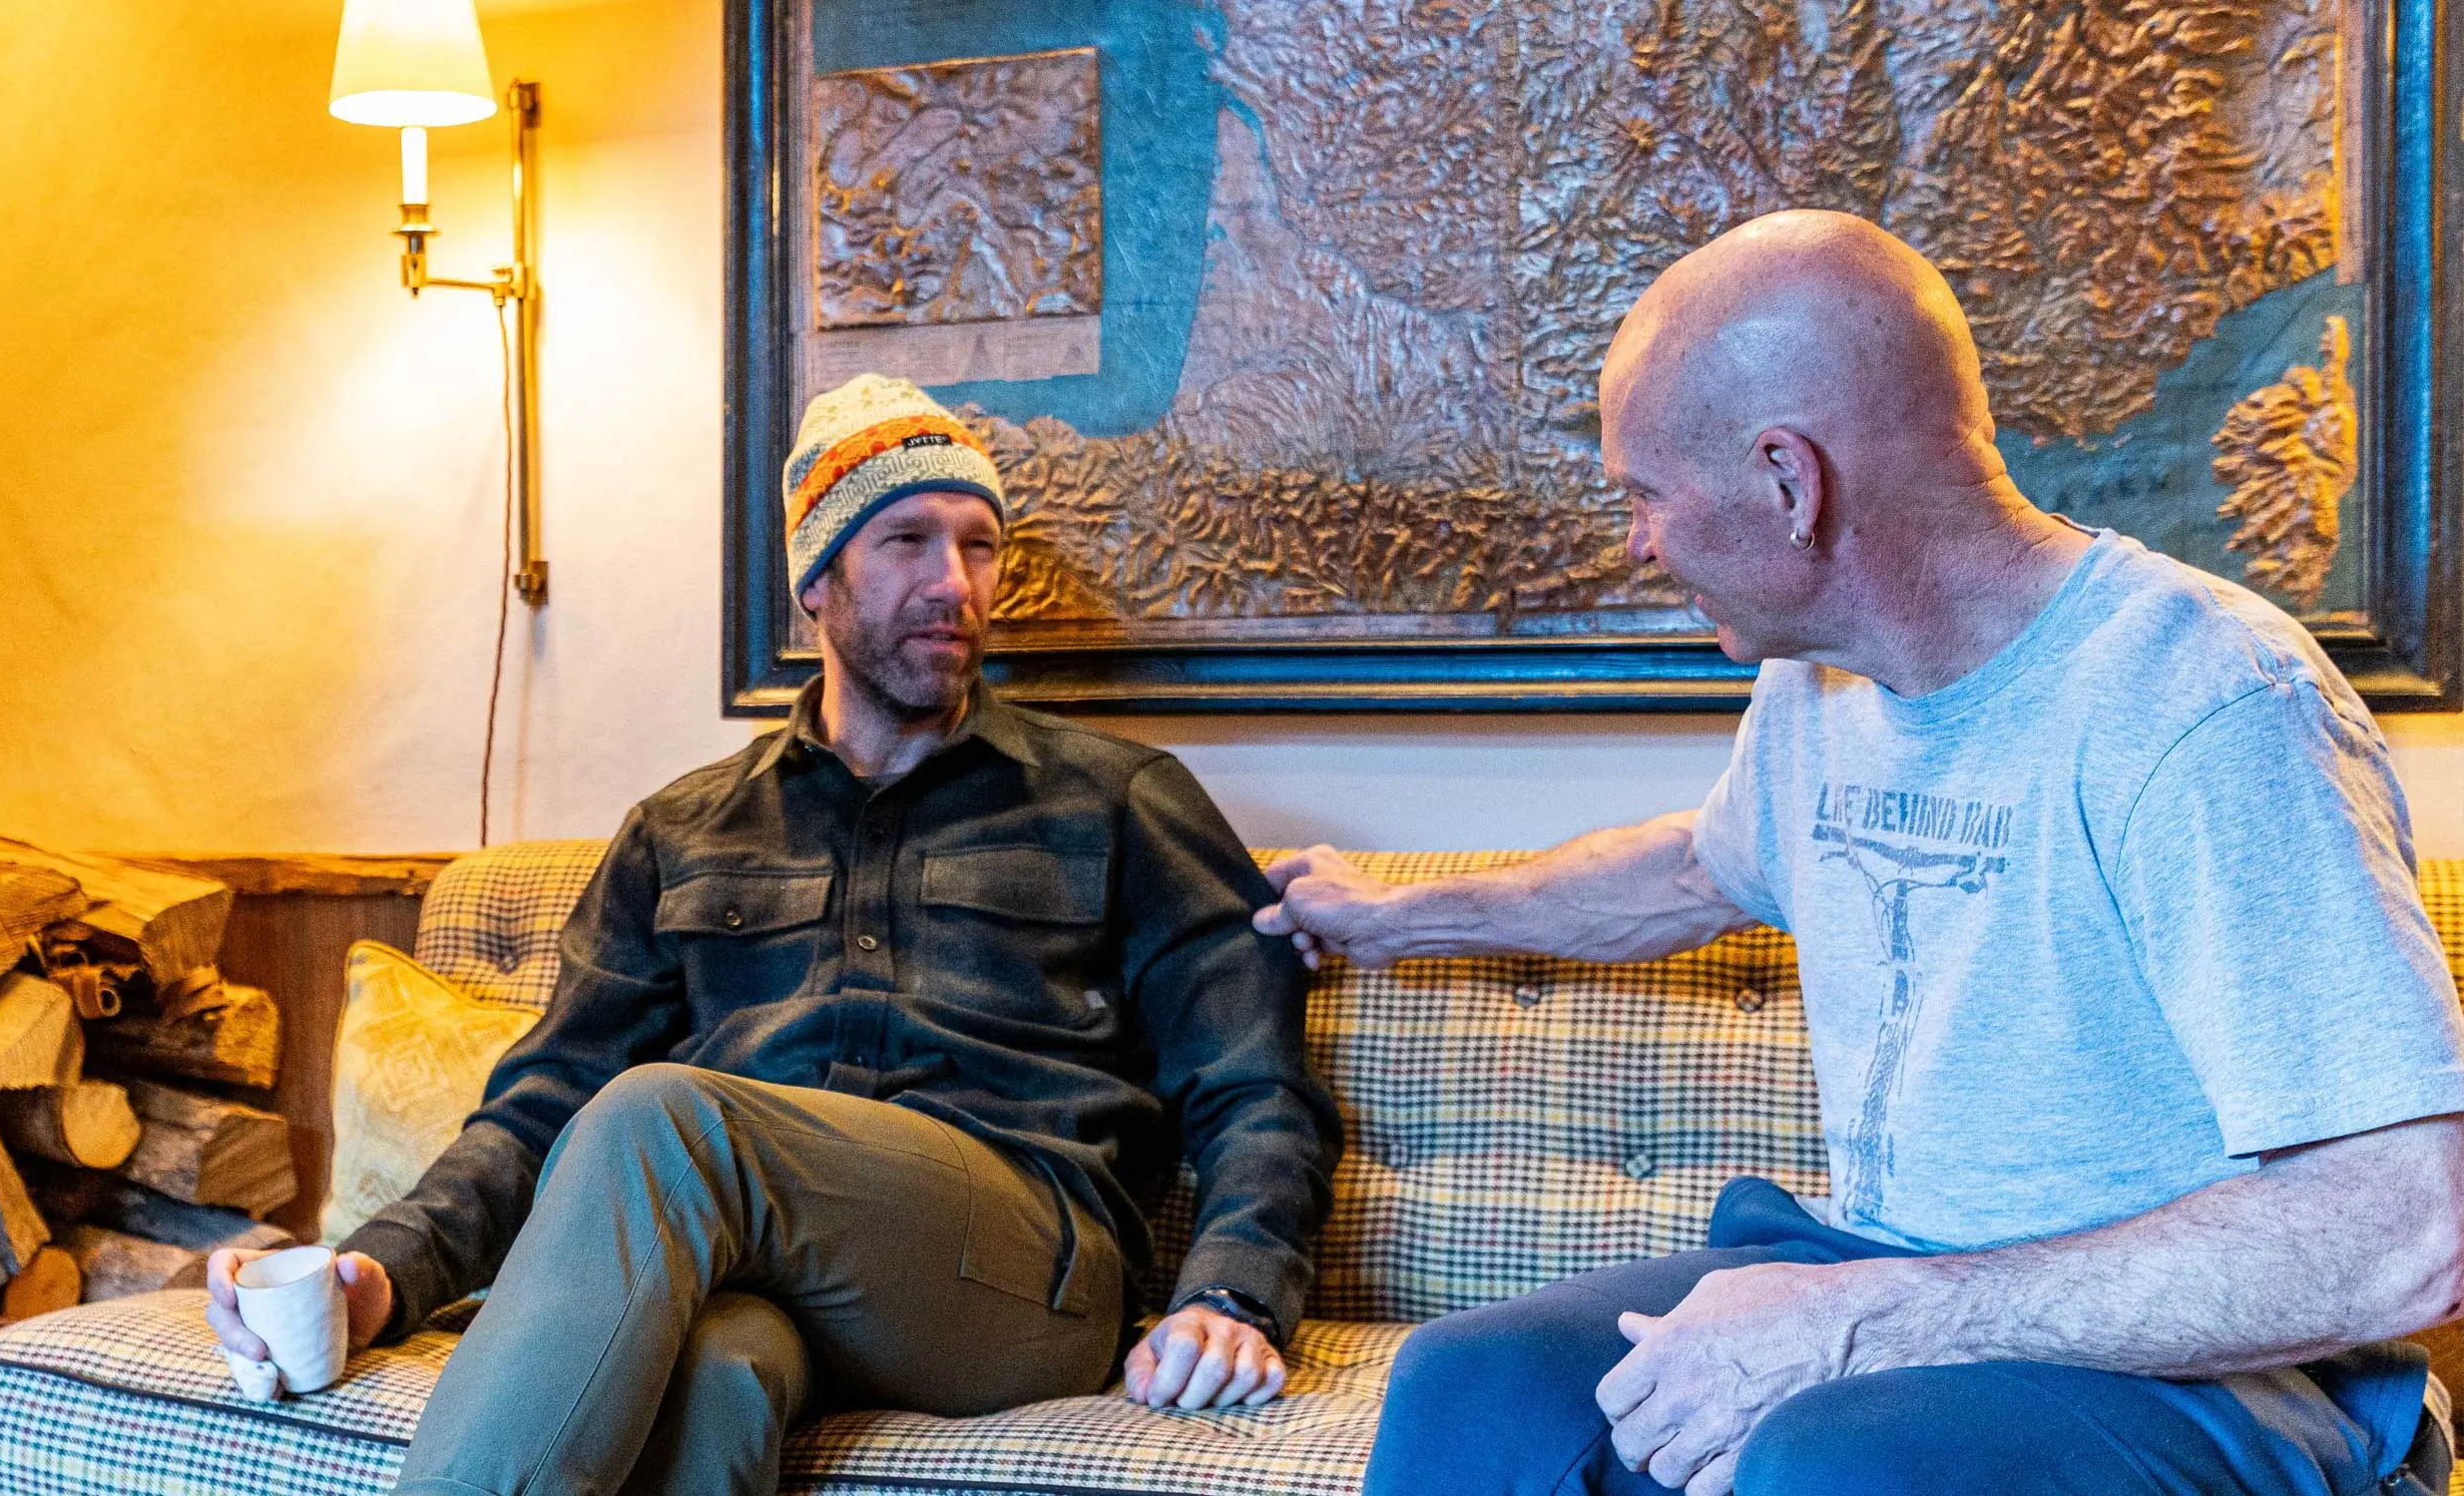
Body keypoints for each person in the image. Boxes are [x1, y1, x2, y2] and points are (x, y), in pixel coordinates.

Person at [1259, 211, 2464, 1496]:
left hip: (2220, 1375)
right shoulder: (1816, 692)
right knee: (1472, 1386)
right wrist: (1396, 917)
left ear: (1790, 480)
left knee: (1830, 1461)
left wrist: (1856, 1324)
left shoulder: (2202, 704)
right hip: (1893, 1267)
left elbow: (2407, 1222)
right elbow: (1686, 873)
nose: (1637, 541)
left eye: (1645, 493)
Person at [206, 373, 1341, 1496]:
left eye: (978, 545)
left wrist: (1232, 1292)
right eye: (904, 539)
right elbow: (543, 1104)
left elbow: (1254, 1085)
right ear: (817, 577)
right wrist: (380, 1274)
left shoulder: (1115, 800)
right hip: (773, 1278)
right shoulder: (684, 827)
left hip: (1019, 1275)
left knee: (664, 1114)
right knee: (718, 1369)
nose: (953, 582)